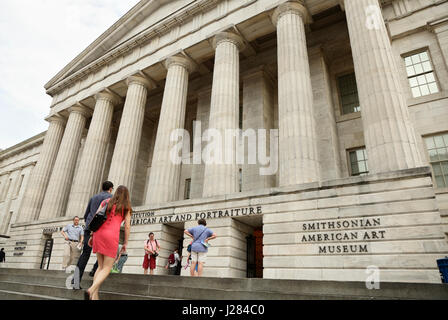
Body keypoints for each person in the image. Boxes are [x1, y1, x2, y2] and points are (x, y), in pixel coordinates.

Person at [85, 185, 132, 300]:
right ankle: (91, 290)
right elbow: (127, 226)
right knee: (107, 267)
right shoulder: (126, 207)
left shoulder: (106, 201)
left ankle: (95, 297)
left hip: (98, 234)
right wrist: (125, 242)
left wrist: (91, 235)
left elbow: (95, 216)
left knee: (100, 266)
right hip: (111, 236)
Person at [73, 181, 114, 289]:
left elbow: (86, 215)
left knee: (85, 254)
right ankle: (94, 270)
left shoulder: (94, 197)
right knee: (104, 252)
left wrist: (90, 225)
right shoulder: (112, 198)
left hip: (89, 228)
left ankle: (75, 281)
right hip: (103, 230)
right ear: (110, 188)